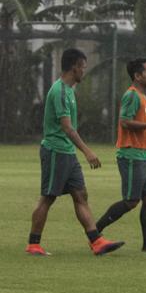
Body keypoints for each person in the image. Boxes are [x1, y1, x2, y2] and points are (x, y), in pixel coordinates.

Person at [27, 48, 124, 257]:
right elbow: (67, 128)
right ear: (74, 67)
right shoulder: (60, 91)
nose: (84, 71)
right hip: (55, 151)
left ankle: (96, 241)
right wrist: (87, 151)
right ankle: (33, 244)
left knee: (81, 195)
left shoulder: (69, 90)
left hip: (67, 152)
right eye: (83, 67)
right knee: (48, 198)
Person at [94, 58, 146, 253]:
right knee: (131, 201)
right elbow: (124, 122)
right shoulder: (132, 95)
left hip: (144, 156)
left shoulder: (143, 97)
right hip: (130, 155)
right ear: (137, 76)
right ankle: (94, 233)